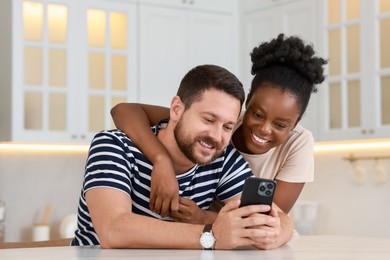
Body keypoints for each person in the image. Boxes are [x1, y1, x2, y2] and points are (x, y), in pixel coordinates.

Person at [110, 34, 327, 249]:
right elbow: (125, 110)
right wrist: (161, 160)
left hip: (225, 236)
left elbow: (271, 216)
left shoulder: (240, 157)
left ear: (295, 123)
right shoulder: (224, 117)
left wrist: (204, 221)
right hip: (210, 236)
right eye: (257, 115)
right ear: (247, 103)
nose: (264, 129)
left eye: (280, 125)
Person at [72, 64, 293, 249]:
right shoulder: (113, 145)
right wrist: (212, 236)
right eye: (208, 120)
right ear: (176, 109)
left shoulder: (223, 160)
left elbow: (283, 221)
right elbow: (114, 230)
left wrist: (275, 233)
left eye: (227, 127)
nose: (217, 136)